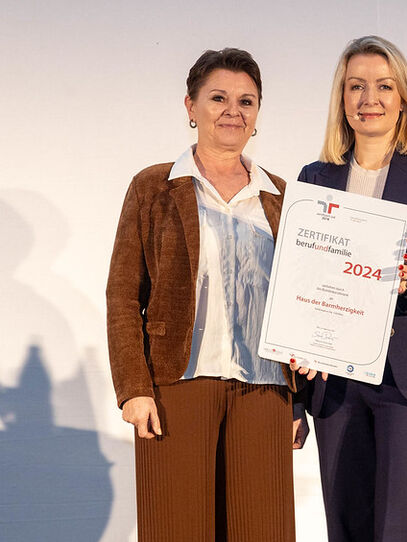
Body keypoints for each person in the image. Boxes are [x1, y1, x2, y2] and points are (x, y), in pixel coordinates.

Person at [106, 48, 300, 542]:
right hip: (176, 385)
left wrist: (303, 401)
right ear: (191, 106)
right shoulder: (153, 187)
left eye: (246, 101)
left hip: (265, 389)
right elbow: (124, 295)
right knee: (176, 530)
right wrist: (133, 388)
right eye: (218, 98)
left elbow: (301, 301)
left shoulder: (282, 196)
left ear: (257, 114)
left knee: (264, 532)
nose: (232, 110)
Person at [294, 35, 407, 542]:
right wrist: (293, 400)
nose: (368, 98)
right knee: (347, 529)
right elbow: (296, 291)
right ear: (341, 100)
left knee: (404, 531)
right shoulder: (315, 178)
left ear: (404, 99)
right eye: (355, 86)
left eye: (383, 85)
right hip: (336, 385)